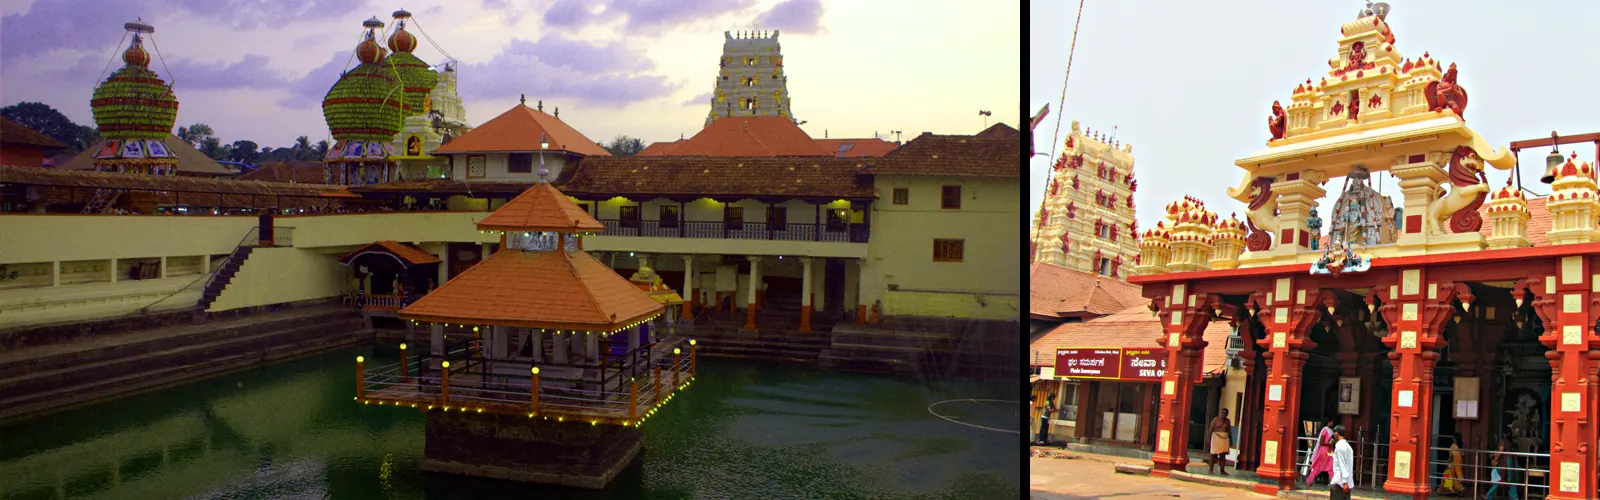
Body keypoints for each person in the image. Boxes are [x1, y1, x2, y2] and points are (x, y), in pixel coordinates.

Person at [1306, 418, 1336, 485]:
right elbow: (1321, 442)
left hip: (1329, 451)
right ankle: (1309, 480)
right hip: (1324, 451)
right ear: (1329, 422)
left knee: (1330, 467)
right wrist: (1329, 444)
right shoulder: (1325, 430)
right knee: (1321, 467)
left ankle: (1334, 483)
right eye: (1332, 422)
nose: (1332, 423)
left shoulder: (1330, 430)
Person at [1329, 425, 1354, 500]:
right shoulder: (1348, 446)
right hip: (1347, 483)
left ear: (1336, 433)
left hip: (1339, 483)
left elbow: (1342, 464)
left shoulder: (1339, 446)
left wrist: (1344, 481)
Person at [1208, 408, 1232, 475]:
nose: (1223, 414)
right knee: (1213, 455)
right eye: (1222, 412)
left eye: (1224, 413)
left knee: (1222, 455)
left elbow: (1229, 431)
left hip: (1224, 439)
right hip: (1216, 438)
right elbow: (1210, 430)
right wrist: (1209, 439)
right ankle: (1211, 469)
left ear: (1227, 414)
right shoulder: (1215, 420)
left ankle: (1222, 470)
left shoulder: (1228, 421)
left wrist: (1230, 440)